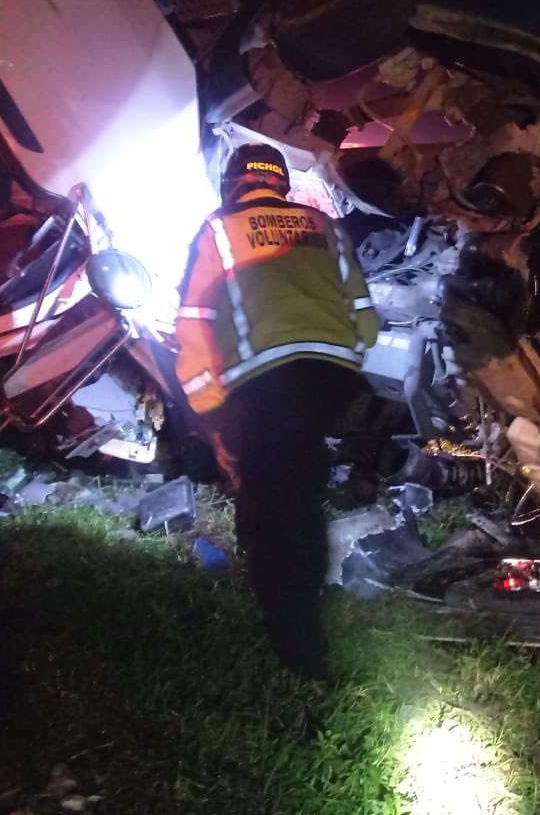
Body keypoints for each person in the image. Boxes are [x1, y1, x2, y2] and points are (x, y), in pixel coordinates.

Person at [175, 142, 378, 678]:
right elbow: (365, 317)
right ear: (280, 183)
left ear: (232, 184)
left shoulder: (219, 231)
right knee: (300, 486)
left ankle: (295, 642)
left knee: (274, 507)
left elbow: (195, 323)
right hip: (330, 378)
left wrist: (214, 419)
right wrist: (341, 362)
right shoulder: (322, 225)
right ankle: (300, 601)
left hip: (267, 382)